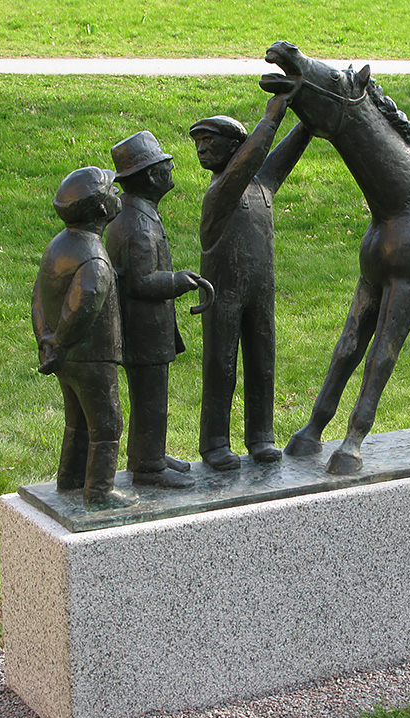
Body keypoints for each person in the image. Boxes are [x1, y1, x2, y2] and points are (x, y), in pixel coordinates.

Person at [191, 85, 312, 471]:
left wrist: (309, 113)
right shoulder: (220, 191)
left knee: (263, 363)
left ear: (234, 145)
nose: (201, 149)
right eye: (198, 142)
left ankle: (261, 436)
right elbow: (250, 160)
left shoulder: (262, 185)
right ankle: (214, 443)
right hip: (222, 292)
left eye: (209, 141)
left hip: (260, 291)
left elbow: (286, 151)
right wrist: (272, 116)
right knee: (221, 365)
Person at [105, 130, 206, 488]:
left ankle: (151, 454)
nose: (170, 169)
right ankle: (148, 465)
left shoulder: (139, 215)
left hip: (148, 327)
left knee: (152, 395)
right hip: (143, 329)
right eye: (165, 166)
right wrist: (177, 281)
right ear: (150, 176)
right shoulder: (136, 224)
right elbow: (140, 282)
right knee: (150, 396)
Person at [32, 166, 131, 508]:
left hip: (63, 356)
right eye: (113, 193)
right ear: (102, 210)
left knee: (76, 421)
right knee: (107, 423)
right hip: (90, 356)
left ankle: (71, 480)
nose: (119, 196)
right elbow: (82, 307)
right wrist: (59, 341)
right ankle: (99, 493)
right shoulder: (95, 260)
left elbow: (39, 296)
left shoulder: (58, 247)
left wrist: (45, 340)